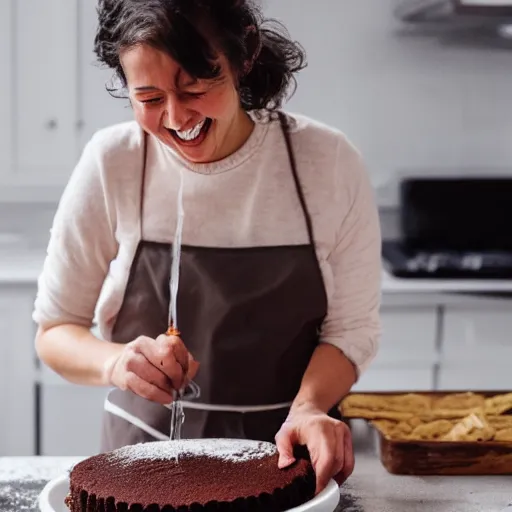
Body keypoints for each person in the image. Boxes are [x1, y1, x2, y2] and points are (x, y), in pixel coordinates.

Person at [33, 0, 382, 495]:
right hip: (140, 465)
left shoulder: (326, 163)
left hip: (286, 465)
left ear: (244, 55)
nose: (177, 118)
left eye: (194, 88)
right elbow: (55, 330)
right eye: (149, 98)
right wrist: (115, 363)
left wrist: (308, 407)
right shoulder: (113, 163)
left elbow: (352, 331)